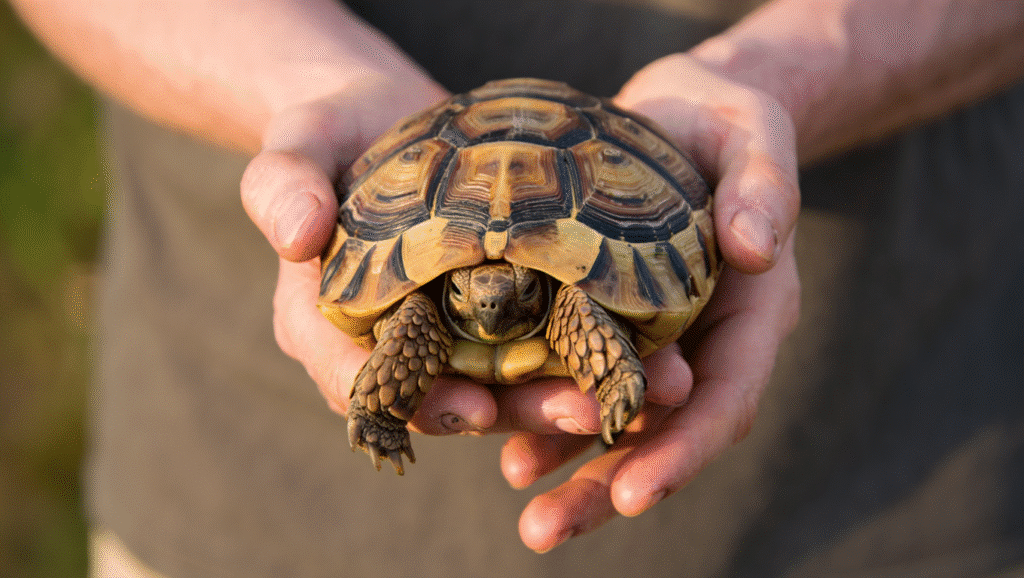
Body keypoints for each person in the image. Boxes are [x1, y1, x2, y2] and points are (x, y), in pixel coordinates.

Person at [11, 0, 1024, 575]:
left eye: (506, 294)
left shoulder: (563, 300)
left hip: (895, 470)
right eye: (473, 294)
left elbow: (572, 298)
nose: (489, 301)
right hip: (241, 506)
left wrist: (793, 75)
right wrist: (295, 85)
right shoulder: (431, 301)